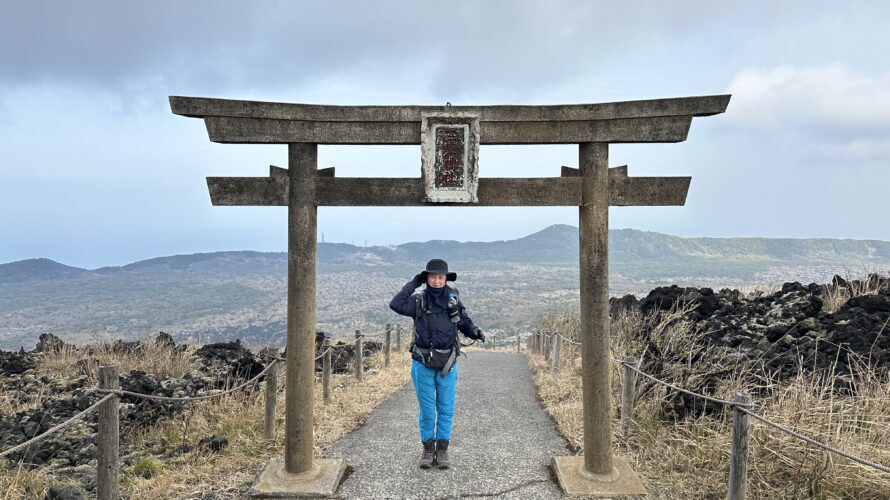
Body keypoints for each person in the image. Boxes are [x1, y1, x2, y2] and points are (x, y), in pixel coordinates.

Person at [389, 258, 484, 469]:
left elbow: (464, 322)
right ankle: (427, 448)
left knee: (446, 408)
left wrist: (475, 331)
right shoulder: (418, 301)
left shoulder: (453, 299)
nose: (437, 281)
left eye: (440, 277)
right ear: (427, 278)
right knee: (427, 409)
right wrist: (414, 282)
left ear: (446, 279)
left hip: (447, 363)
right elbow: (395, 304)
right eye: (432, 277)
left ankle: (442, 449)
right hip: (422, 362)